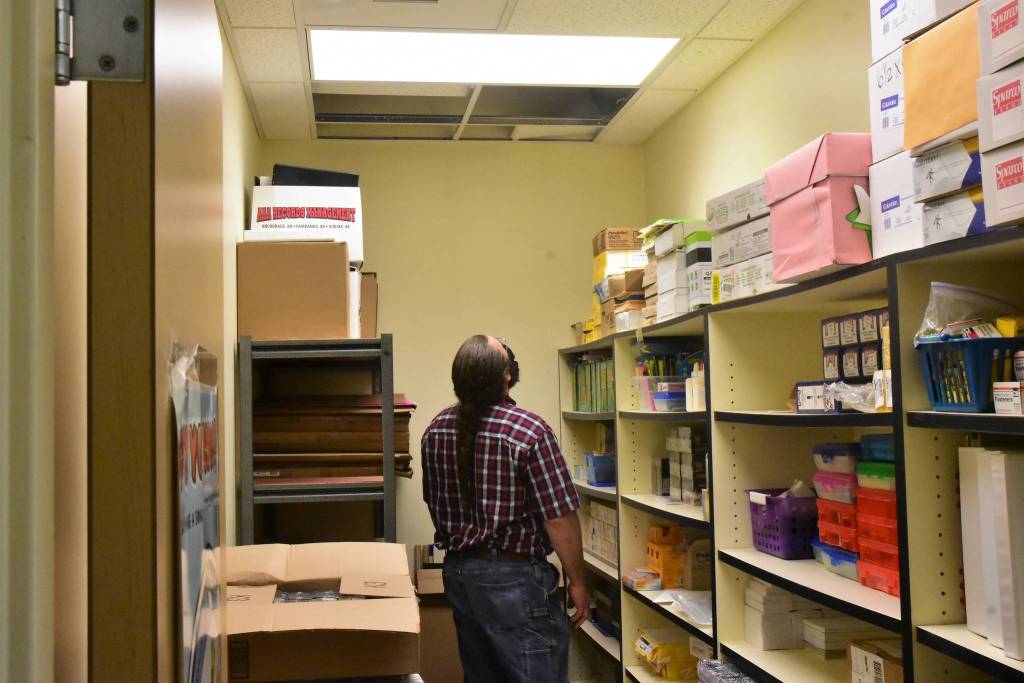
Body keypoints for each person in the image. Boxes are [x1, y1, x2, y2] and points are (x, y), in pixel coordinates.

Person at [421, 334, 590, 683]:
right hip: (514, 582)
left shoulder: (435, 430)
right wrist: (578, 580)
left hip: (459, 574)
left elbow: (433, 502)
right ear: (506, 376)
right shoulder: (529, 432)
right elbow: (558, 518)